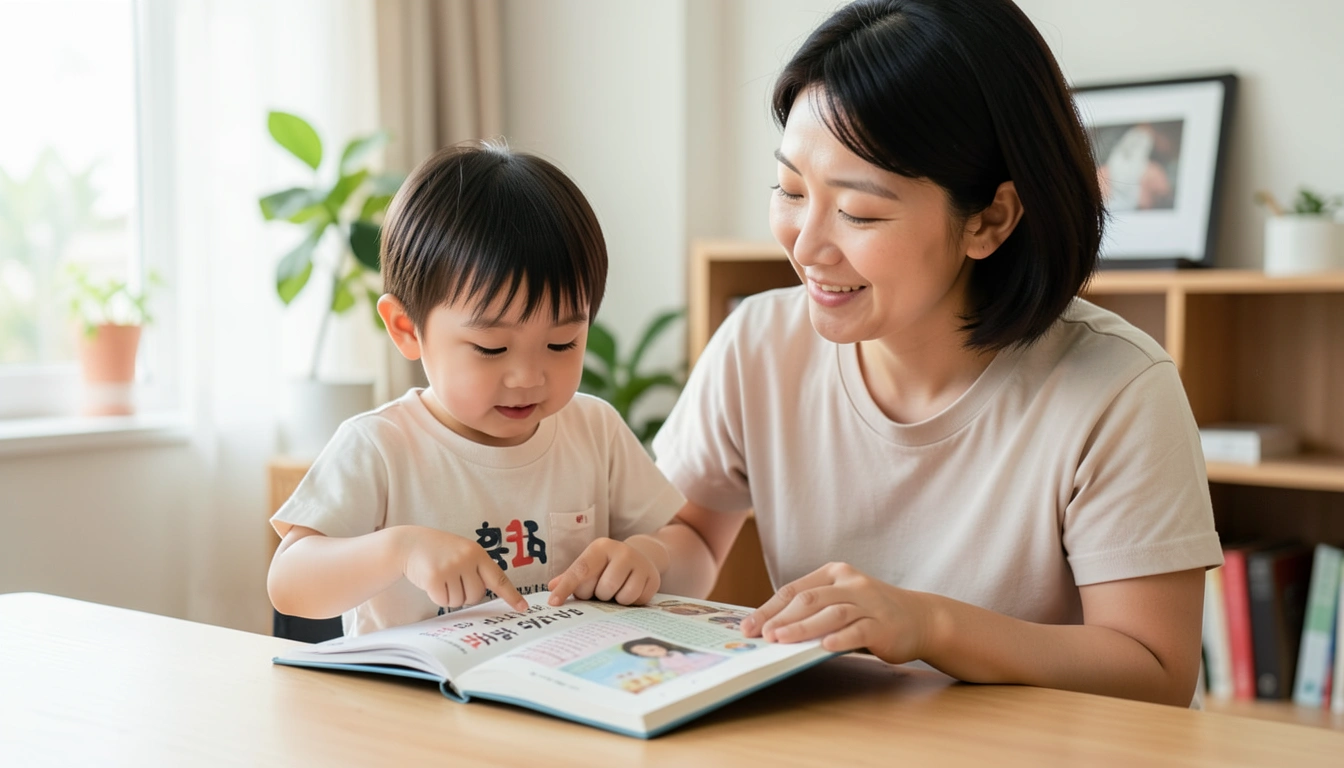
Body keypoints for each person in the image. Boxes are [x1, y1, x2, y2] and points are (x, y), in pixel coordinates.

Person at [651, 0, 1221, 707]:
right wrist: (633, 562)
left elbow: (1155, 671)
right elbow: (691, 534)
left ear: (990, 219)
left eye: (859, 212)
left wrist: (929, 625)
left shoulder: (1118, 388)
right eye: (790, 189)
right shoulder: (758, 343)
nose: (806, 245)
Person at [267, 143, 708, 636]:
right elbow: (288, 582)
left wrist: (649, 556)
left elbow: (693, 557)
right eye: (491, 348)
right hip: (421, 686)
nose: (528, 378)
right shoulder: (379, 446)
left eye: (561, 343)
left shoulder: (594, 431)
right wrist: (399, 550)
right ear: (407, 329)